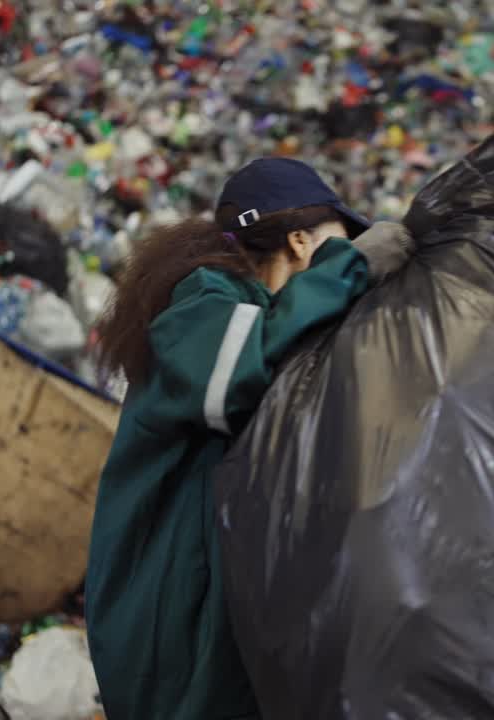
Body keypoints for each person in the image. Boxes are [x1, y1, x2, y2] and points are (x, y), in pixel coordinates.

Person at [85, 158, 414, 720]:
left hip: (210, 592)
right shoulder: (203, 297)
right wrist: (349, 268)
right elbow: (231, 375)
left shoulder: (262, 312)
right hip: (169, 604)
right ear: (300, 241)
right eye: (335, 242)